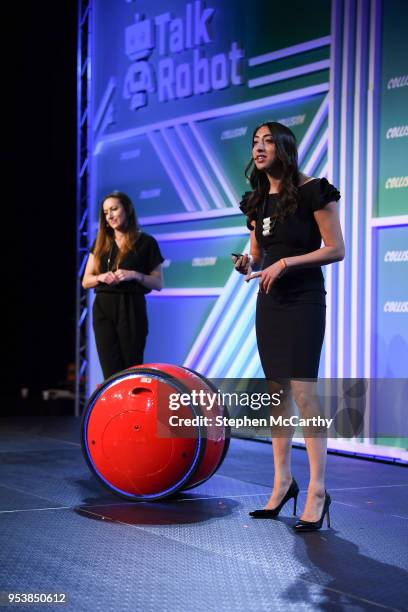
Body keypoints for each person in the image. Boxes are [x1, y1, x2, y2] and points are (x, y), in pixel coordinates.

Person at [235, 122, 344, 531]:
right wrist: (251, 264)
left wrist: (286, 263)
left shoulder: (314, 190)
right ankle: (283, 481)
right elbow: (260, 257)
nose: (259, 149)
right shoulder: (256, 201)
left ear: (284, 147)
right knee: (276, 391)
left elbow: (336, 249)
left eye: (267, 142)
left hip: (303, 300)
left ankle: (317, 488)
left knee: (305, 393)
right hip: (270, 301)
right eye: (255, 143)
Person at [82, 191, 164, 379]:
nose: (109, 216)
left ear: (127, 210)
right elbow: (86, 281)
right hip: (104, 308)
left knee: (130, 368)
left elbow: (158, 283)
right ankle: (116, 408)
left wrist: (134, 275)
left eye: (114, 209)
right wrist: (101, 277)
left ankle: (132, 407)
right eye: (105, 212)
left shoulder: (146, 242)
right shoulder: (101, 242)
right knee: (110, 371)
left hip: (131, 308)